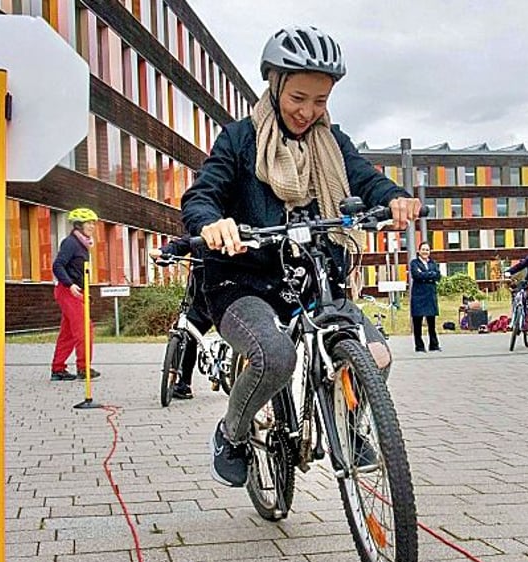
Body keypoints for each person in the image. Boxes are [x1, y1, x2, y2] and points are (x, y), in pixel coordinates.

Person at [180, 25, 422, 488]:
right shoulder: (239, 140)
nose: (308, 112)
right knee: (275, 356)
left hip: (311, 276)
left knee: (377, 355)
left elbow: (364, 179)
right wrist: (214, 223)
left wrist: (395, 198)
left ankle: (347, 428)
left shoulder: (333, 143)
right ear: (273, 84)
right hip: (243, 280)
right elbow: (202, 195)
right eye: (298, 98)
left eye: (320, 101)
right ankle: (232, 434)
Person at [149, 237, 214, 399]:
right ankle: (184, 384)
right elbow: (180, 245)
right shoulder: (200, 235)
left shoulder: (232, 230)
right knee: (185, 333)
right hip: (200, 301)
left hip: (227, 298)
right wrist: (163, 253)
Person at [50, 208, 102, 381]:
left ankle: (58, 368)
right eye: (88, 223)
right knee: (84, 329)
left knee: (68, 332)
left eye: (93, 223)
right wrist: (70, 285)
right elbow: (58, 265)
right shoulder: (71, 242)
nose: (92, 226)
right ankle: (83, 368)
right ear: (78, 225)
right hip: (67, 291)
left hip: (76, 290)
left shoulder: (83, 243)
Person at [409, 242, 441, 352]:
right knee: (417, 323)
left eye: (427, 250)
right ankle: (419, 346)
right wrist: (430, 275)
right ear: (419, 250)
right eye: (423, 249)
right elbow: (416, 276)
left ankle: (434, 345)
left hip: (430, 296)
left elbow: (438, 276)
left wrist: (425, 275)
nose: (425, 252)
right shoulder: (414, 263)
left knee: (431, 324)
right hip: (418, 297)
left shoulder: (433, 263)